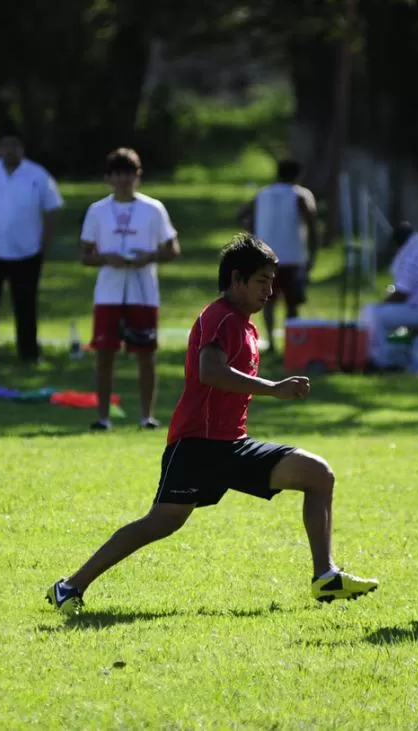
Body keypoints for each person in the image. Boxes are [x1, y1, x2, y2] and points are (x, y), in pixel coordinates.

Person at [46, 233, 379, 614]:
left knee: (318, 475)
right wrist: (273, 388)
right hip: (198, 446)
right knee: (160, 523)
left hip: (233, 444)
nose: (269, 291)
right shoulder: (219, 318)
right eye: (261, 282)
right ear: (237, 280)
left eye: (272, 282)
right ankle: (69, 586)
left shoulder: (247, 325)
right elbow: (210, 371)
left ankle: (325, 576)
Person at [79, 148, 180, 431]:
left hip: (143, 292)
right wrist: (105, 259)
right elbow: (85, 254)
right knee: (104, 353)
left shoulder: (153, 209)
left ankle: (146, 416)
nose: (123, 180)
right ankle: (103, 417)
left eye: (129, 174)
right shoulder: (98, 210)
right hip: (108, 292)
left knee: (145, 353)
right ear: (109, 177)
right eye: (117, 174)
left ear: (138, 176)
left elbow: (172, 248)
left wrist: (149, 257)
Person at [0, 134, 64, 363]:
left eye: (14, 146)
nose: (9, 151)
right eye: (5, 145)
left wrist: (44, 244)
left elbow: (52, 209)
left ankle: (28, 353)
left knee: (26, 305)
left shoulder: (38, 175)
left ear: (22, 148)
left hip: (26, 252)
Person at [237, 159, 318, 356]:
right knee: (292, 303)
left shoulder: (263, 194)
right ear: (298, 175)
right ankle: (293, 343)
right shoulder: (300, 195)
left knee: (267, 300)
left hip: (265, 256)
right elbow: (312, 224)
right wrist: (312, 253)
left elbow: (242, 214)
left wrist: (254, 232)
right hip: (293, 257)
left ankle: (271, 340)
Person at [360, 222, 418, 371]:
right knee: (377, 313)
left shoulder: (416, 256)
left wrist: (382, 304)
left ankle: (379, 361)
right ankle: (389, 358)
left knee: (373, 314)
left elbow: (401, 294)